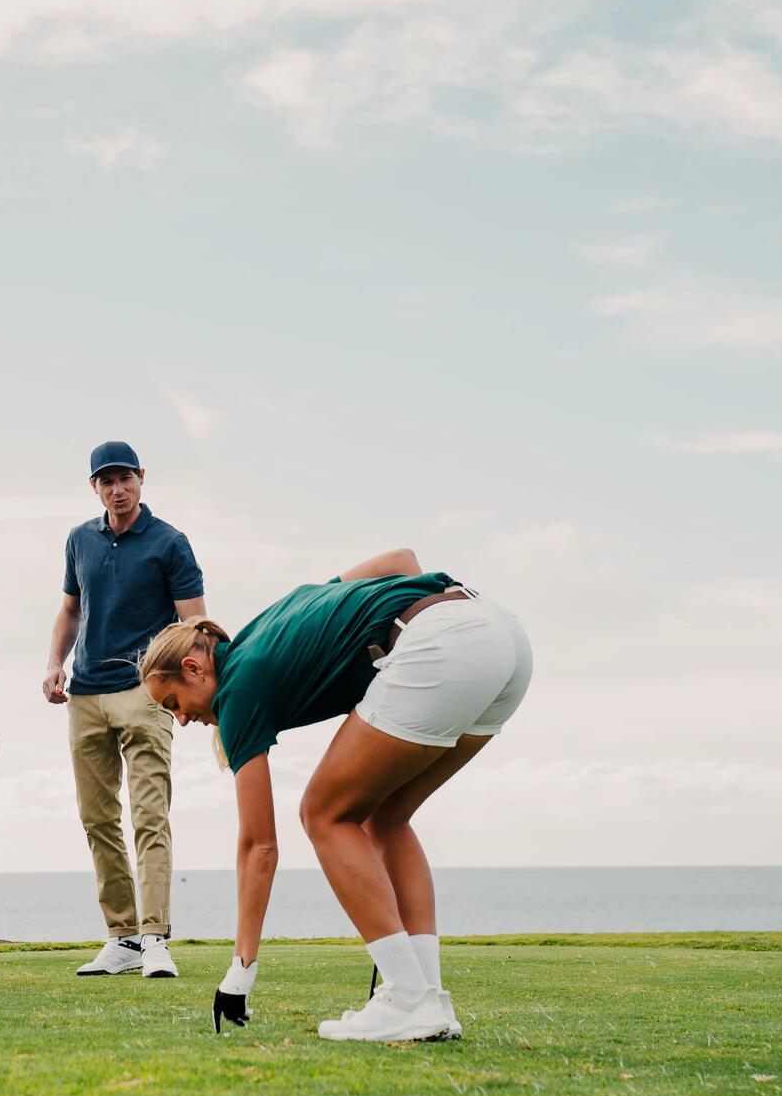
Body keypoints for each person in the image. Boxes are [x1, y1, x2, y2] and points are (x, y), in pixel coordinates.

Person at [138, 549, 532, 1042]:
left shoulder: (236, 690)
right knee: (385, 818)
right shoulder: (277, 621)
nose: (181, 719)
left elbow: (259, 847)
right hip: (500, 636)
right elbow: (403, 559)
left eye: (174, 703)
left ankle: (407, 996)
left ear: (196, 669)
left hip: (442, 646)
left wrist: (240, 974)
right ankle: (427, 997)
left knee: (323, 813)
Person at [42, 441, 206, 979]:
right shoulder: (79, 540)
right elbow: (70, 610)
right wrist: (54, 664)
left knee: (149, 815)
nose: (117, 489)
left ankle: (155, 937)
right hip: (85, 692)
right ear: (94, 487)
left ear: (141, 478)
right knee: (97, 819)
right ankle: (122, 937)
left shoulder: (170, 543)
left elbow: (194, 629)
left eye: (124, 478)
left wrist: (185, 692)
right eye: (105, 481)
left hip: (146, 691)